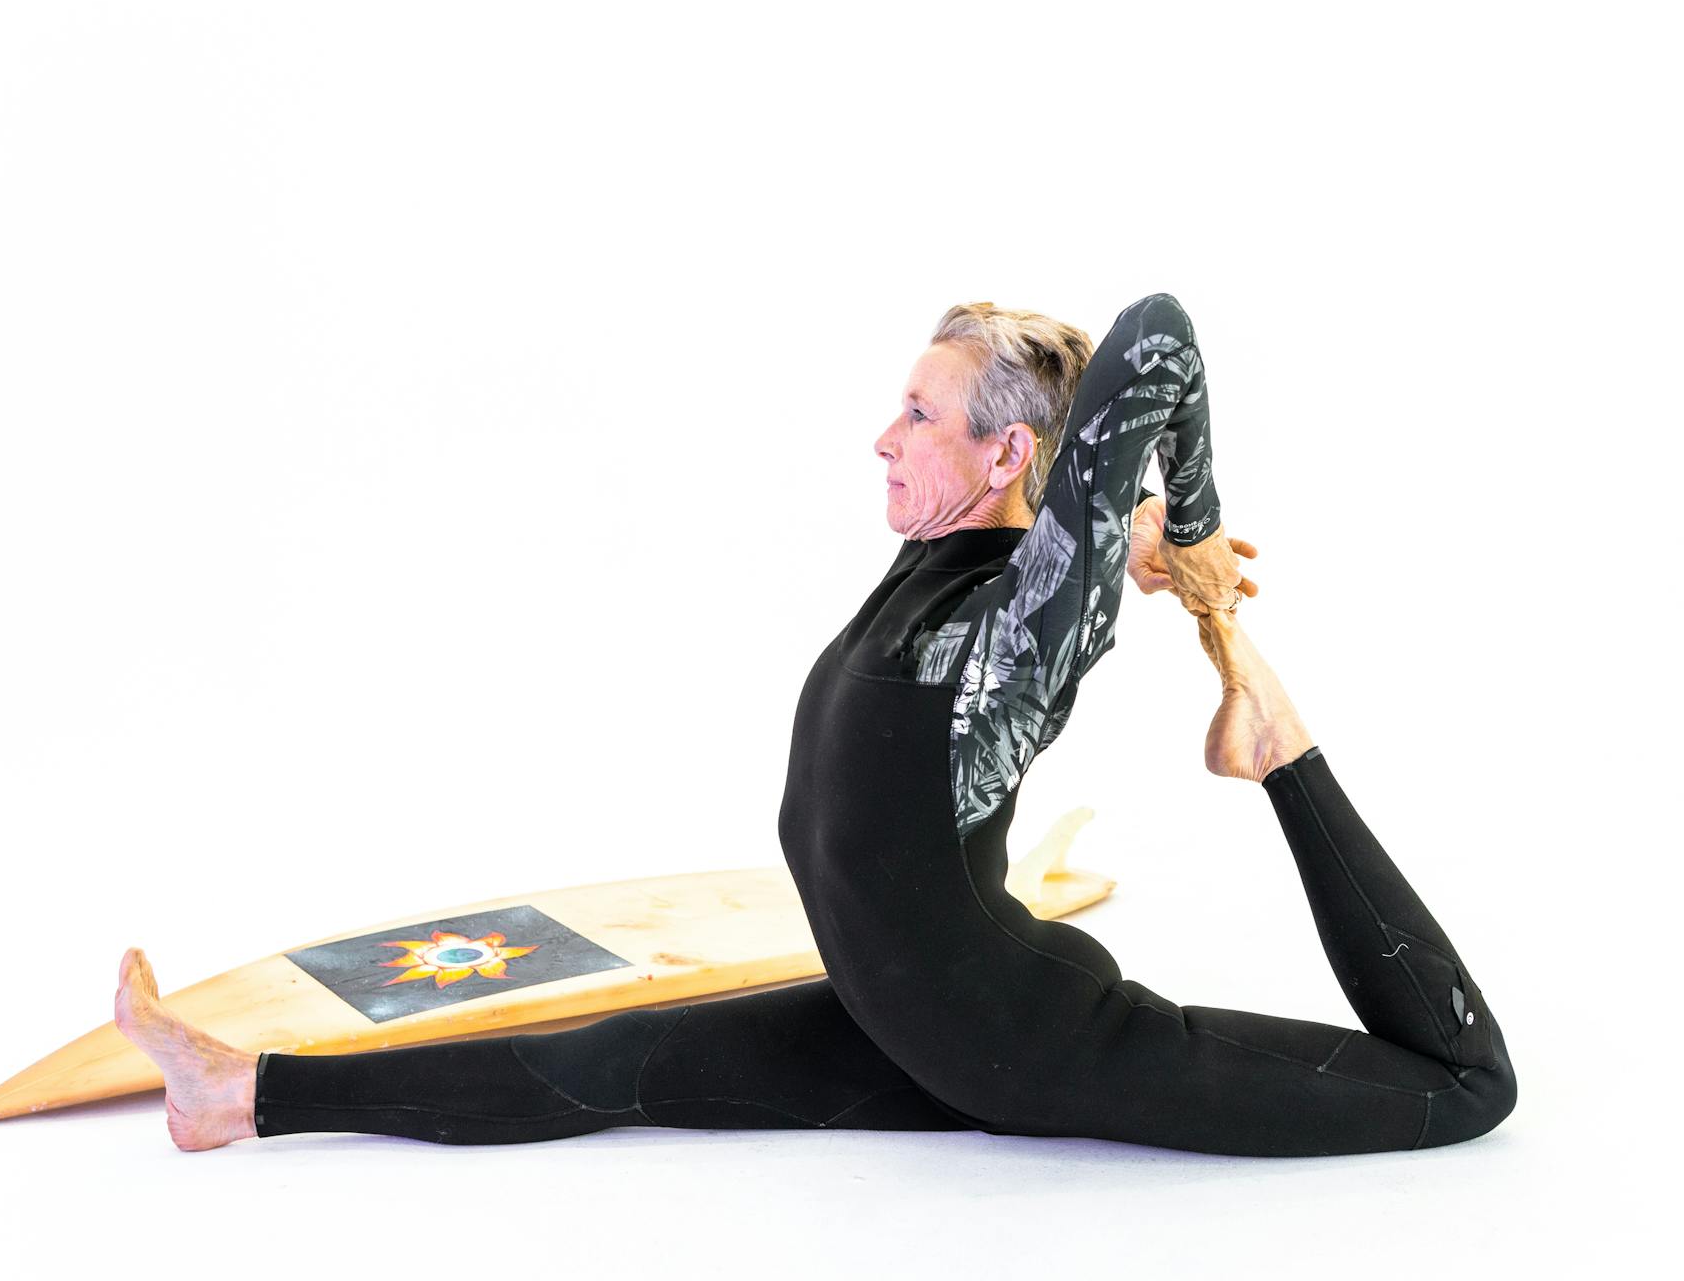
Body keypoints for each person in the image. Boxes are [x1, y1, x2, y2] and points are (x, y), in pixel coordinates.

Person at [113, 293, 1515, 1157]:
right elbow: (1063, 523)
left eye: (919, 411)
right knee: (608, 1064)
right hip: (905, 1020)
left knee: (1463, 1089)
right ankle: (238, 1094)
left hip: (1040, 1048)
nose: (884, 435)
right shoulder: (942, 564)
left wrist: (1180, 536)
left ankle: (1277, 751)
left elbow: (1156, 334)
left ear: (1008, 453)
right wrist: (1136, 533)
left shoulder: (1010, 633)